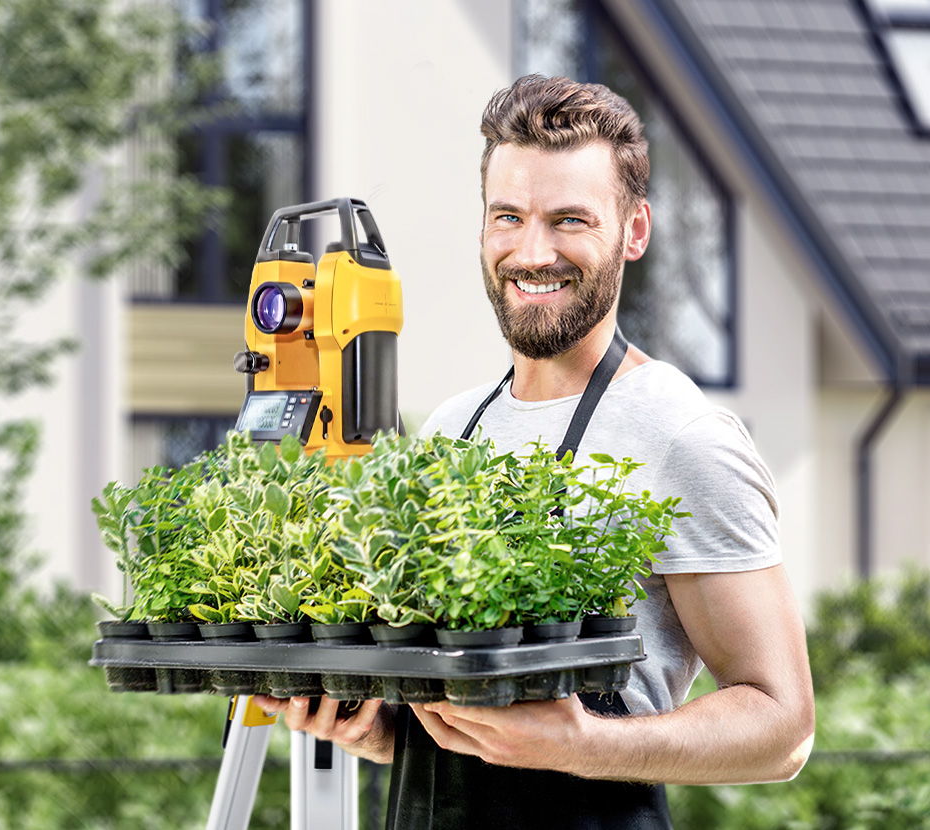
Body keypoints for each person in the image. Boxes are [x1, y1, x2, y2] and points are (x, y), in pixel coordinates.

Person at [252, 74, 814, 829]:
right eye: (508, 216)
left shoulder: (680, 437)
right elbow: (464, 724)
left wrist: (585, 744)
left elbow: (782, 730)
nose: (532, 250)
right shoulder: (453, 430)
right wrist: (380, 730)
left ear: (634, 231)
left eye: (570, 219)